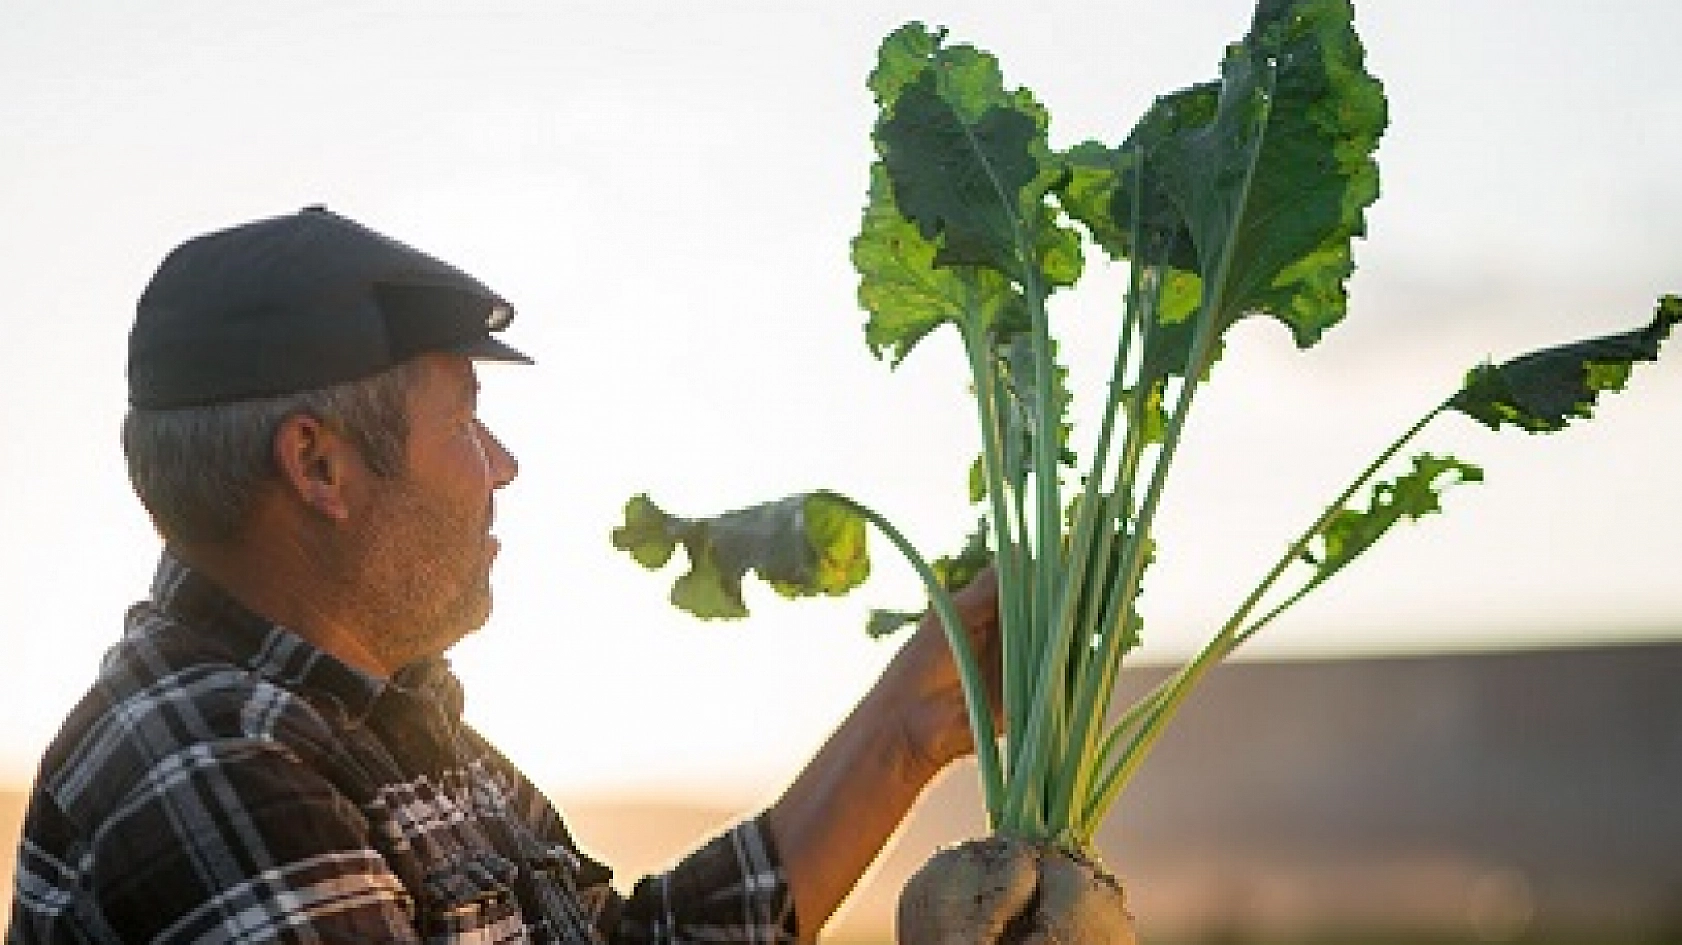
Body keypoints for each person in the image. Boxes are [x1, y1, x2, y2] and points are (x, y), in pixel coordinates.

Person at [6, 207, 1002, 943]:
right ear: (319, 467)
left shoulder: (401, 733)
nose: (502, 465)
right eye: (463, 421)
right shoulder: (208, 764)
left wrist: (899, 740)